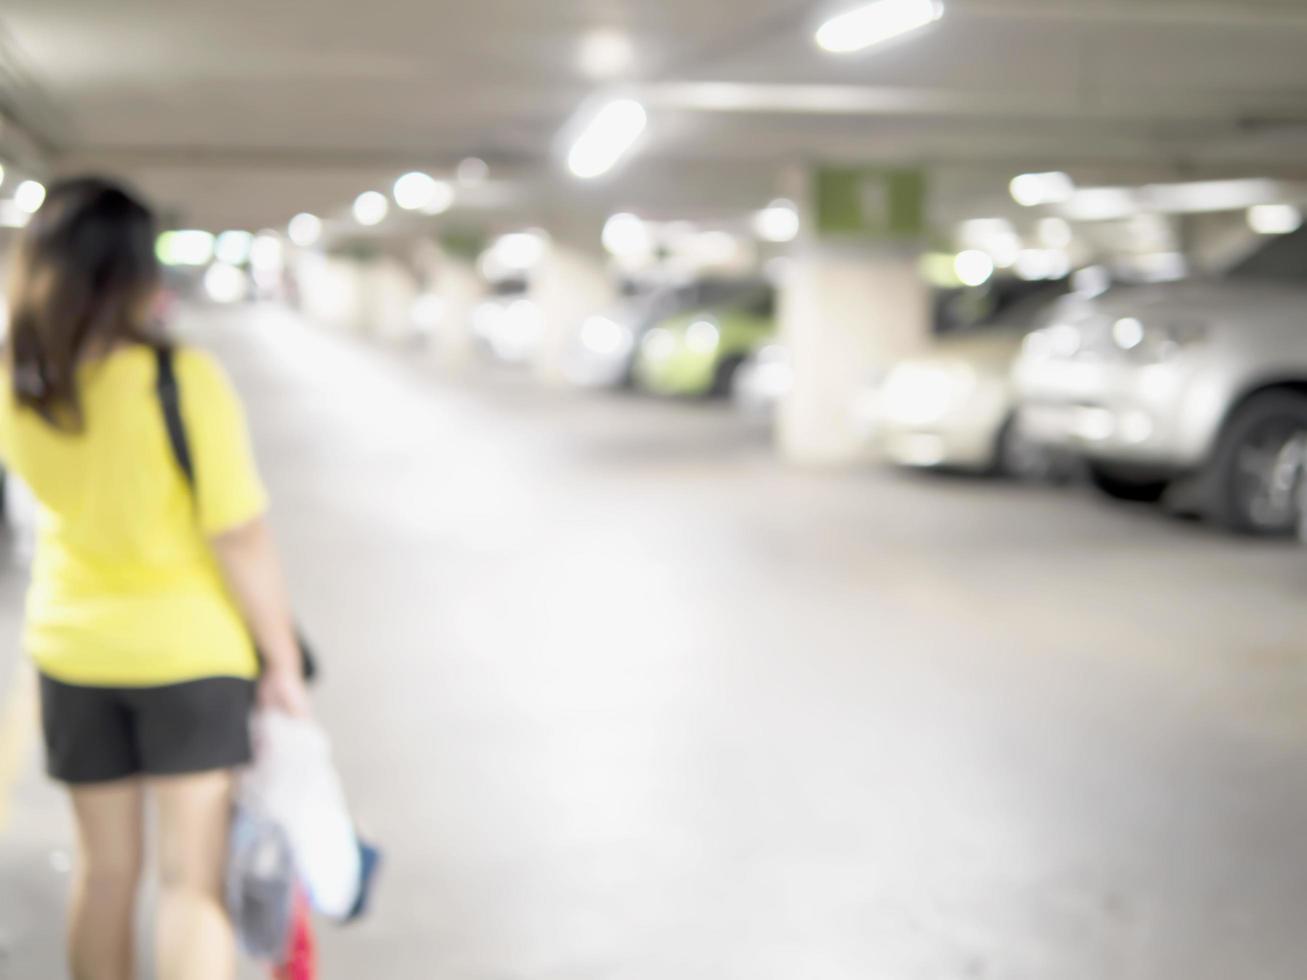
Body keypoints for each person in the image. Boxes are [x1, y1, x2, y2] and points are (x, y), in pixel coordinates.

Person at [0, 177, 309, 980]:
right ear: (136, 271)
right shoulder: (181, 380)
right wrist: (281, 660)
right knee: (190, 883)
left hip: (73, 649)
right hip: (188, 656)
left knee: (104, 872)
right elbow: (238, 535)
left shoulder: (21, 385)